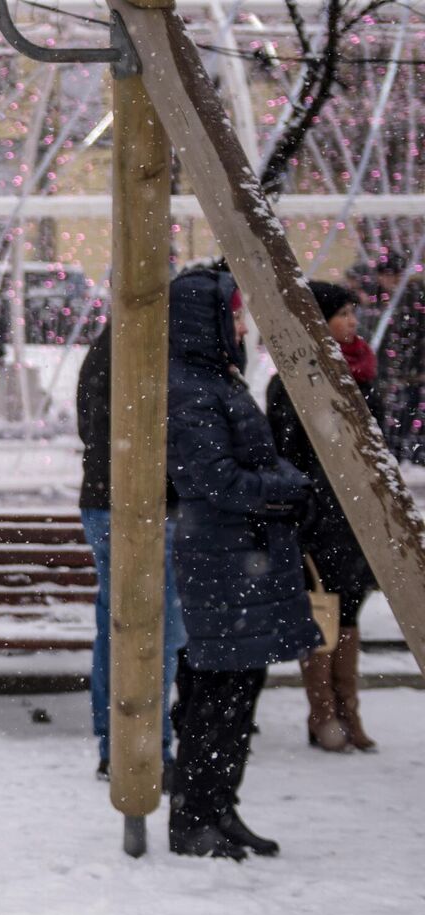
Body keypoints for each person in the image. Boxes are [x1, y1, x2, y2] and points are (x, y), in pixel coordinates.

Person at [166, 267, 322, 860]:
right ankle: (195, 817)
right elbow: (213, 478)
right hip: (222, 562)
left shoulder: (216, 379)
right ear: (204, 321)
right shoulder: (192, 387)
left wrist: (281, 485)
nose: (242, 323)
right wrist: (285, 488)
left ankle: (219, 807)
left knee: (237, 697)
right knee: (216, 697)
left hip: (241, 558)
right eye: (233, 313)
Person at [266, 280, 382, 753]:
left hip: (358, 515)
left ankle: (348, 714)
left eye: (353, 313)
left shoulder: (365, 372)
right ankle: (324, 716)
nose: (352, 322)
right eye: (342, 314)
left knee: (349, 609)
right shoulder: (291, 380)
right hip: (318, 516)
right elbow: (284, 454)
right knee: (321, 611)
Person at [74, 324, 184, 786]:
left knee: (122, 624)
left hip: (115, 498)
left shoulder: (113, 345)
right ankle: (138, 742)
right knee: (148, 628)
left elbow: (91, 422)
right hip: (138, 503)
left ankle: (124, 741)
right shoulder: (147, 342)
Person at [370, 257, 424, 462]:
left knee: (408, 414)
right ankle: (397, 452)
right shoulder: (380, 300)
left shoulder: (413, 300)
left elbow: (414, 337)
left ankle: (407, 454)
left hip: (411, 372)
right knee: (392, 415)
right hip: (388, 371)